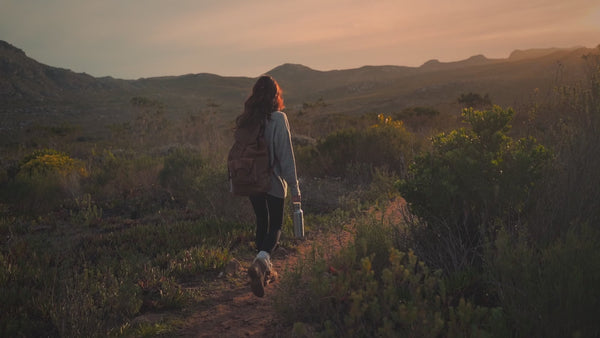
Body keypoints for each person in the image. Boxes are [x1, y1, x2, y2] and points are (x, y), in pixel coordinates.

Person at [234, 75, 301, 297]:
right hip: (272, 182)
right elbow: (286, 156)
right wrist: (294, 187)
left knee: (261, 221)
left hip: (252, 181)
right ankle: (261, 263)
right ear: (276, 95)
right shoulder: (279, 119)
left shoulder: (247, 120)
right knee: (276, 227)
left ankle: (261, 269)